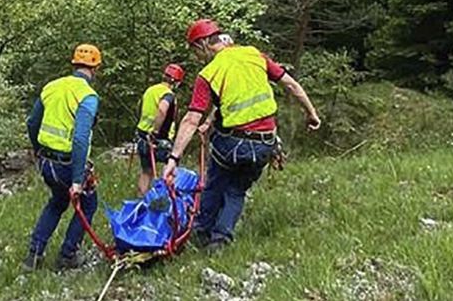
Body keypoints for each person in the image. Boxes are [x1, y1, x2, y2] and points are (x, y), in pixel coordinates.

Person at [162, 20, 321, 250]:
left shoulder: (208, 73)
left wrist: (173, 159)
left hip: (232, 144)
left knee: (215, 182)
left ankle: (201, 232)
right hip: (265, 142)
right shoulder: (254, 55)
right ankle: (220, 240)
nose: (197, 57)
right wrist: (312, 113)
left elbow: (191, 119)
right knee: (236, 191)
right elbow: (291, 85)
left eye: (195, 51)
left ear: (202, 44)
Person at [23, 44, 102, 272]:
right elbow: (80, 139)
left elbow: (32, 122)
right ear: (95, 68)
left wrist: (38, 150)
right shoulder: (88, 96)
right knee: (88, 204)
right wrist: (77, 180)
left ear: (74, 64)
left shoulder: (51, 87)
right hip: (69, 165)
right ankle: (68, 255)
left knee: (57, 202)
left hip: (47, 162)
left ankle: (34, 255)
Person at [134, 63, 184, 196]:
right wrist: (155, 132)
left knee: (146, 171)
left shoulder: (150, 90)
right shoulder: (168, 95)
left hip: (142, 135)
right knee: (170, 168)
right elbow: (162, 110)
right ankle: (166, 198)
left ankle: (141, 200)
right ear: (176, 81)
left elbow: (139, 107)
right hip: (159, 138)